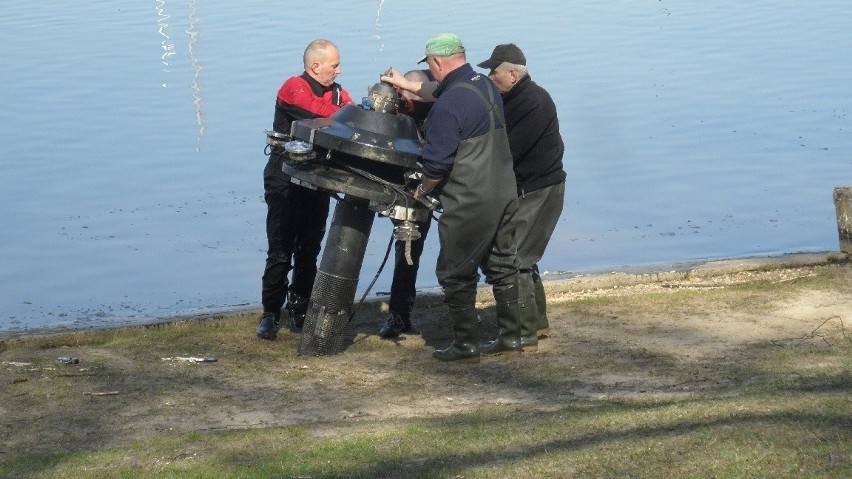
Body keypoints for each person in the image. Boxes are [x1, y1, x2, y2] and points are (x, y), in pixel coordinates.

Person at [400, 32, 523, 363]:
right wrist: (405, 83)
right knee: (502, 263)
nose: (431, 71)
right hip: (505, 190)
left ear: (437, 62)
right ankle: (512, 337)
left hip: (471, 198)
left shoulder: (449, 103)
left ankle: (466, 345)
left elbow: (436, 166)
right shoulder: (484, 84)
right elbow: (435, 90)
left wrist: (420, 190)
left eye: (429, 65)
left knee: (455, 271)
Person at [257, 39, 354, 340]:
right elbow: (318, 114)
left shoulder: (339, 92)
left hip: (317, 180)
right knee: (281, 250)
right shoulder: (293, 87)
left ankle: (300, 307)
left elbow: (348, 114)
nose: (339, 71)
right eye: (334, 65)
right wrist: (346, 114)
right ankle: (270, 313)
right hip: (284, 179)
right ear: (315, 66)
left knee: (310, 249)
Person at [476, 43, 566, 349]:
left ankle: (520, 335)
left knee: (513, 261)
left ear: (513, 74)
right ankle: (536, 325)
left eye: (494, 71)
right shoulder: (513, 98)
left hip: (539, 190)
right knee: (525, 256)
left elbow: (507, 152)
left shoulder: (534, 102)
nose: (490, 77)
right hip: (535, 188)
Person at [378, 69, 435, 339]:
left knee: (410, 250)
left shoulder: (436, 113)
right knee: (408, 249)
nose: (404, 99)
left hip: (429, 186)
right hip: (404, 188)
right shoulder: (397, 114)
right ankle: (400, 314)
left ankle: (401, 313)